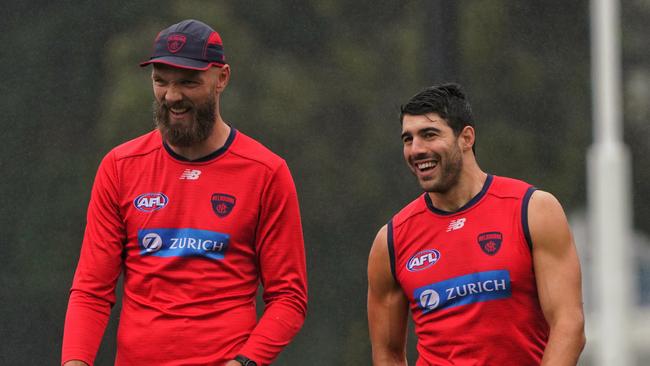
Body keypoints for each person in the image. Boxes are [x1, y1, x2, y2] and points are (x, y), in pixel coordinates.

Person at [62, 19, 307, 366]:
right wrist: (75, 361)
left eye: (188, 82)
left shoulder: (266, 172)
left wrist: (244, 362)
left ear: (221, 78)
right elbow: (91, 291)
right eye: (160, 81)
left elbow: (289, 298)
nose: (172, 96)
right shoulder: (119, 167)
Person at [367, 83, 585, 365]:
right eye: (408, 139)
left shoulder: (533, 210)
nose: (416, 149)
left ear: (466, 138)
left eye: (429, 135)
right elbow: (386, 352)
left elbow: (569, 326)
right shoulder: (391, 241)